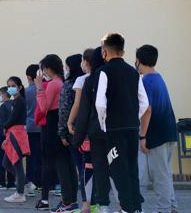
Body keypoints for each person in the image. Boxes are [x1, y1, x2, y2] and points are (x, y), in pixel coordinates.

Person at [96, 34, 149, 213]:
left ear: (104, 52)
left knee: (118, 169)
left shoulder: (104, 71)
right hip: (132, 127)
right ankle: (136, 207)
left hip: (114, 129)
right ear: (123, 51)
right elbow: (144, 103)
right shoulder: (134, 72)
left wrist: (104, 124)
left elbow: (100, 103)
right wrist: (133, 116)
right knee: (132, 168)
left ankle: (127, 208)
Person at [135, 45, 178, 213]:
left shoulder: (145, 81)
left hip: (156, 134)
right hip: (169, 131)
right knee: (165, 173)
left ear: (138, 61)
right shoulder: (159, 78)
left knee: (159, 175)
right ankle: (172, 207)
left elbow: (147, 110)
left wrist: (142, 136)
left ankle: (164, 209)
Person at [35, 54, 79, 213]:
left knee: (61, 165)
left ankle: (68, 201)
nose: (43, 72)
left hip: (53, 124)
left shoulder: (54, 84)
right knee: (68, 164)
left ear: (48, 68)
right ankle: (71, 199)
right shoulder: (63, 82)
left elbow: (43, 106)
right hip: (59, 123)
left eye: (43, 69)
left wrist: (39, 88)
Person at [73, 46, 112, 213]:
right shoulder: (116, 76)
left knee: (89, 167)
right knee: (112, 168)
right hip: (114, 132)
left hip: (94, 133)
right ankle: (109, 206)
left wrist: (77, 138)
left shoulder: (88, 80)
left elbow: (83, 110)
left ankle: (88, 205)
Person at [59, 54, 84, 210]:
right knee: (87, 168)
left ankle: (73, 203)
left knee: (78, 167)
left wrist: (62, 132)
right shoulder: (88, 81)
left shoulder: (69, 85)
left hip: (72, 131)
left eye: (67, 65)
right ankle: (90, 203)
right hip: (88, 131)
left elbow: (64, 110)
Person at [3, 76, 31, 203]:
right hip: (12, 133)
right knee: (7, 163)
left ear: (20, 87)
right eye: (8, 86)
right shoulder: (15, 100)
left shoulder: (20, 101)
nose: (10, 88)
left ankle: (20, 193)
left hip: (17, 134)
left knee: (16, 163)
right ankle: (25, 184)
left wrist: (5, 126)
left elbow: (13, 118)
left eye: (13, 86)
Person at [0, 86, 15, 191]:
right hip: (13, 136)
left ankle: (1, 182)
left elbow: (2, 124)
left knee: (1, 159)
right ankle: (11, 183)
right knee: (10, 159)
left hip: (4, 137)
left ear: (4, 94)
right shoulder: (14, 104)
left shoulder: (4, 106)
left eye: (0, 94)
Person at [25, 64, 42, 193]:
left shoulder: (26, 92)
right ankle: (42, 182)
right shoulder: (43, 89)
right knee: (43, 156)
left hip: (30, 127)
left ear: (28, 77)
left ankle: (31, 182)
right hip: (43, 126)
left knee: (31, 157)